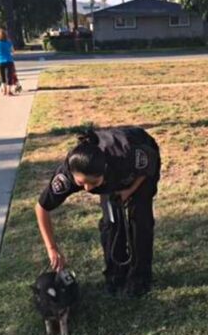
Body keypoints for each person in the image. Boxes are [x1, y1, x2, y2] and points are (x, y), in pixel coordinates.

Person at [36, 127, 161, 297]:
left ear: (105, 171)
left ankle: (140, 277)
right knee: (111, 223)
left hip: (140, 163)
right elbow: (42, 207)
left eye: (93, 183)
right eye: (82, 183)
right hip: (110, 180)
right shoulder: (68, 174)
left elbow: (147, 166)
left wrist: (129, 190)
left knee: (140, 219)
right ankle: (115, 274)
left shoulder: (126, 155)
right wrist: (52, 248)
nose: (87, 188)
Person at [0, 28, 15, 96]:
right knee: (9, 76)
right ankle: (9, 91)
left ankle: (4, 90)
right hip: (8, 60)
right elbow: (13, 51)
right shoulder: (9, 42)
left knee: (2, 76)